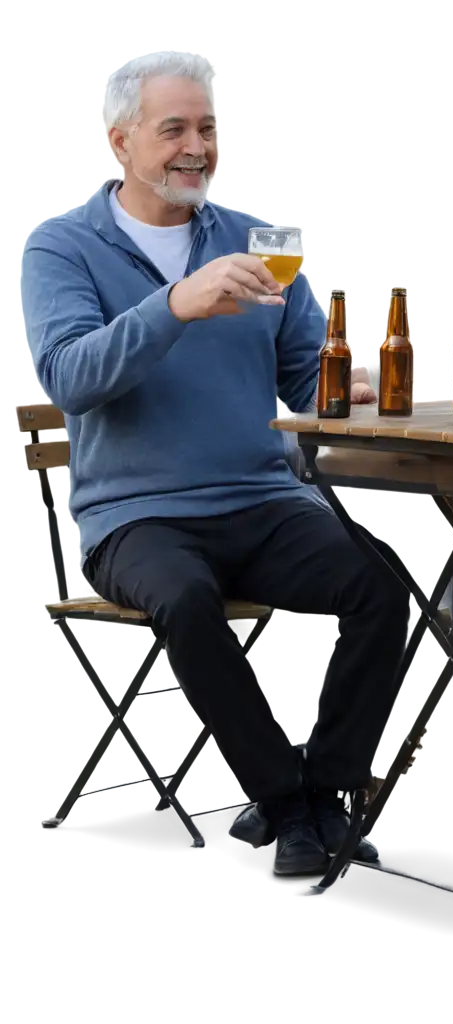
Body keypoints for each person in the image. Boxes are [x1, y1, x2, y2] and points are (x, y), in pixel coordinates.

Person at [21, 48, 409, 879]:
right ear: (120, 142)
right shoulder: (61, 248)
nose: (195, 146)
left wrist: (352, 386)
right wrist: (174, 305)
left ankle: (331, 794)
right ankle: (280, 805)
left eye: (206, 127)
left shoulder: (255, 239)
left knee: (384, 587)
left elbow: (302, 374)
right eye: (173, 130)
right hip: (135, 516)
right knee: (190, 602)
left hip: (262, 499)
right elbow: (69, 378)